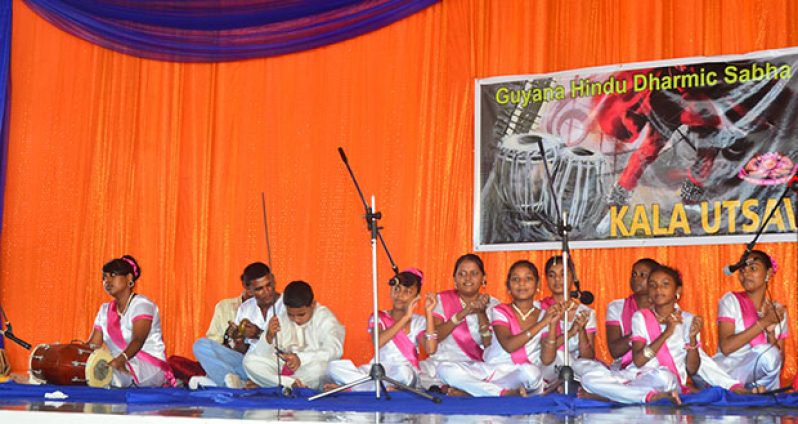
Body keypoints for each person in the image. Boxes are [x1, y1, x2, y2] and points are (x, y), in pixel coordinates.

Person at [580, 265, 755, 404]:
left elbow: (693, 369)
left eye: (665, 284)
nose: (658, 289)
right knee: (589, 378)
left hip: (667, 379)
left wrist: (693, 339)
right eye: (653, 285)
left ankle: (617, 396)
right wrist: (667, 333)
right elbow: (639, 361)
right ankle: (641, 397)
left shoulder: (688, 320)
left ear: (677, 291)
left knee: (663, 376)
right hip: (636, 375)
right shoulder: (640, 317)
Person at [443, 260, 548, 396]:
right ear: (508, 287)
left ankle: (476, 391)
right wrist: (542, 323)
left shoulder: (546, 314)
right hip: (492, 369)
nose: (521, 283)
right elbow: (509, 345)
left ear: (537, 285)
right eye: (516, 279)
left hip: (520, 374)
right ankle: (501, 393)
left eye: (528, 279)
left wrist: (570, 331)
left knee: (531, 373)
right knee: (445, 369)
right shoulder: (500, 310)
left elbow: (547, 358)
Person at [325, 268, 437, 391]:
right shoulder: (379, 317)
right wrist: (405, 318)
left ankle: (352, 388)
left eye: (407, 292)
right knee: (333, 367)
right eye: (397, 289)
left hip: (402, 371)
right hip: (376, 369)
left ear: (417, 297)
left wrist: (429, 313)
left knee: (405, 374)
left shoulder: (419, 321)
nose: (399, 295)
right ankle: (379, 388)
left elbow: (430, 349)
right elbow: (378, 342)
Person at [87, 255, 176, 387]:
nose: (107, 281)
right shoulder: (104, 310)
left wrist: (120, 360)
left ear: (129, 278)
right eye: (104, 277)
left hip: (148, 365)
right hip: (116, 363)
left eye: (113, 275)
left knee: (108, 376)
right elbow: (93, 346)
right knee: (89, 373)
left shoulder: (142, 305)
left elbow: (138, 340)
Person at [419, 253, 500, 396]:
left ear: (483, 278)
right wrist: (460, 315)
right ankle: (465, 390)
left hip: (475, 367)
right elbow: (433, 339)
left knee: (499, 372)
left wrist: (481, 313)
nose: (467, 278)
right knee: (422, 373)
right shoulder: (441, 300)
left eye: (474, 273)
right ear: (455, 279)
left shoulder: (494, 306)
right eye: (462, 274)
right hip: (442, 363)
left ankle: (454, 389)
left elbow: (490, 346)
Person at [192, 262, 283, 388]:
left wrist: (258, 333)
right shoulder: (246, 308)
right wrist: (238, 342)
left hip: (274, 366)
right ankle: (238, 382)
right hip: (248, 364)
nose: (267, 292)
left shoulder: (287, 306)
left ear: (273, 280)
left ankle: (226, 383)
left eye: (269, 285)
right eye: (259, 289)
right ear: (249, 289)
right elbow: (245, 350)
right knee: (200, 345)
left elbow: (289, 345)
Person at [242, 280, 345, 390]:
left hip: (309, 368)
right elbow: (262, 354)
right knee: (250, 361)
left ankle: (269, 385)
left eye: (301, 314)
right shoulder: (280, 318)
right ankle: (290, 385)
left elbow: (334, 350)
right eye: (291, 315)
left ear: (313, 305)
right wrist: (268, 337)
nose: (296, 319)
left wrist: (301, 359)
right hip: (284, 370)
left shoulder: (326, 319)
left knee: (320, 369)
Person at [714, 250, 788, 390]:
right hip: (729, 371)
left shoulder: (777, 310)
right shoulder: (730, 300)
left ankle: (752, 390)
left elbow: (779, 363)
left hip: (761, 378)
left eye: (753, 268)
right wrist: (764, 322)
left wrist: (771, 333)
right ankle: (743, 389)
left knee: (770, 355)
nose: (746, 274)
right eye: (742, 270)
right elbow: (726, 347)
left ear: (768, 273)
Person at [539, 256, 600, 384]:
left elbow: (588, 357)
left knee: (592, 368)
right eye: (552, 275)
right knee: (562, 357)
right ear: (546, 279)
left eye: (563, 274)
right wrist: (572, 332)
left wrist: (581, 330)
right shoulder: (539, 309)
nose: (557, 279)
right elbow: (543, 350)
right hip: (546, 365)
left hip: (577, 366)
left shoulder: (585, 312)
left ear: (572, 277)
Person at [605, 258, 658, 370]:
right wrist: (639, 331)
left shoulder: (664, 307)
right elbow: (615, 351)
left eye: (642, 275)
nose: (636, 279)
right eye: (634, 274)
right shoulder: (616, 307)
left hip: (658, 366)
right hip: (625, 368)